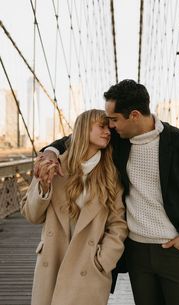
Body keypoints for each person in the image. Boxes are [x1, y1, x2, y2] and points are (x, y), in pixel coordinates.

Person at [35, 80, 179, 305]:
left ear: (134, 115)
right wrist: (52, 152)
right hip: (137, 252)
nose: (110, 126)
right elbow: (76, 139)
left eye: (113, 120)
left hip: (176, 250)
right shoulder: (119, 142)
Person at [20, 109, 128, 305]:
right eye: (101, 126)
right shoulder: (53, 165)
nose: (108, 131)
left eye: (109, 127)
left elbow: (118, 225)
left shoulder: (110, 174)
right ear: (84, 128)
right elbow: (32, 216)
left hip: (88, 269)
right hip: (54, 262)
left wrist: (103, 261)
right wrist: (44, 187)